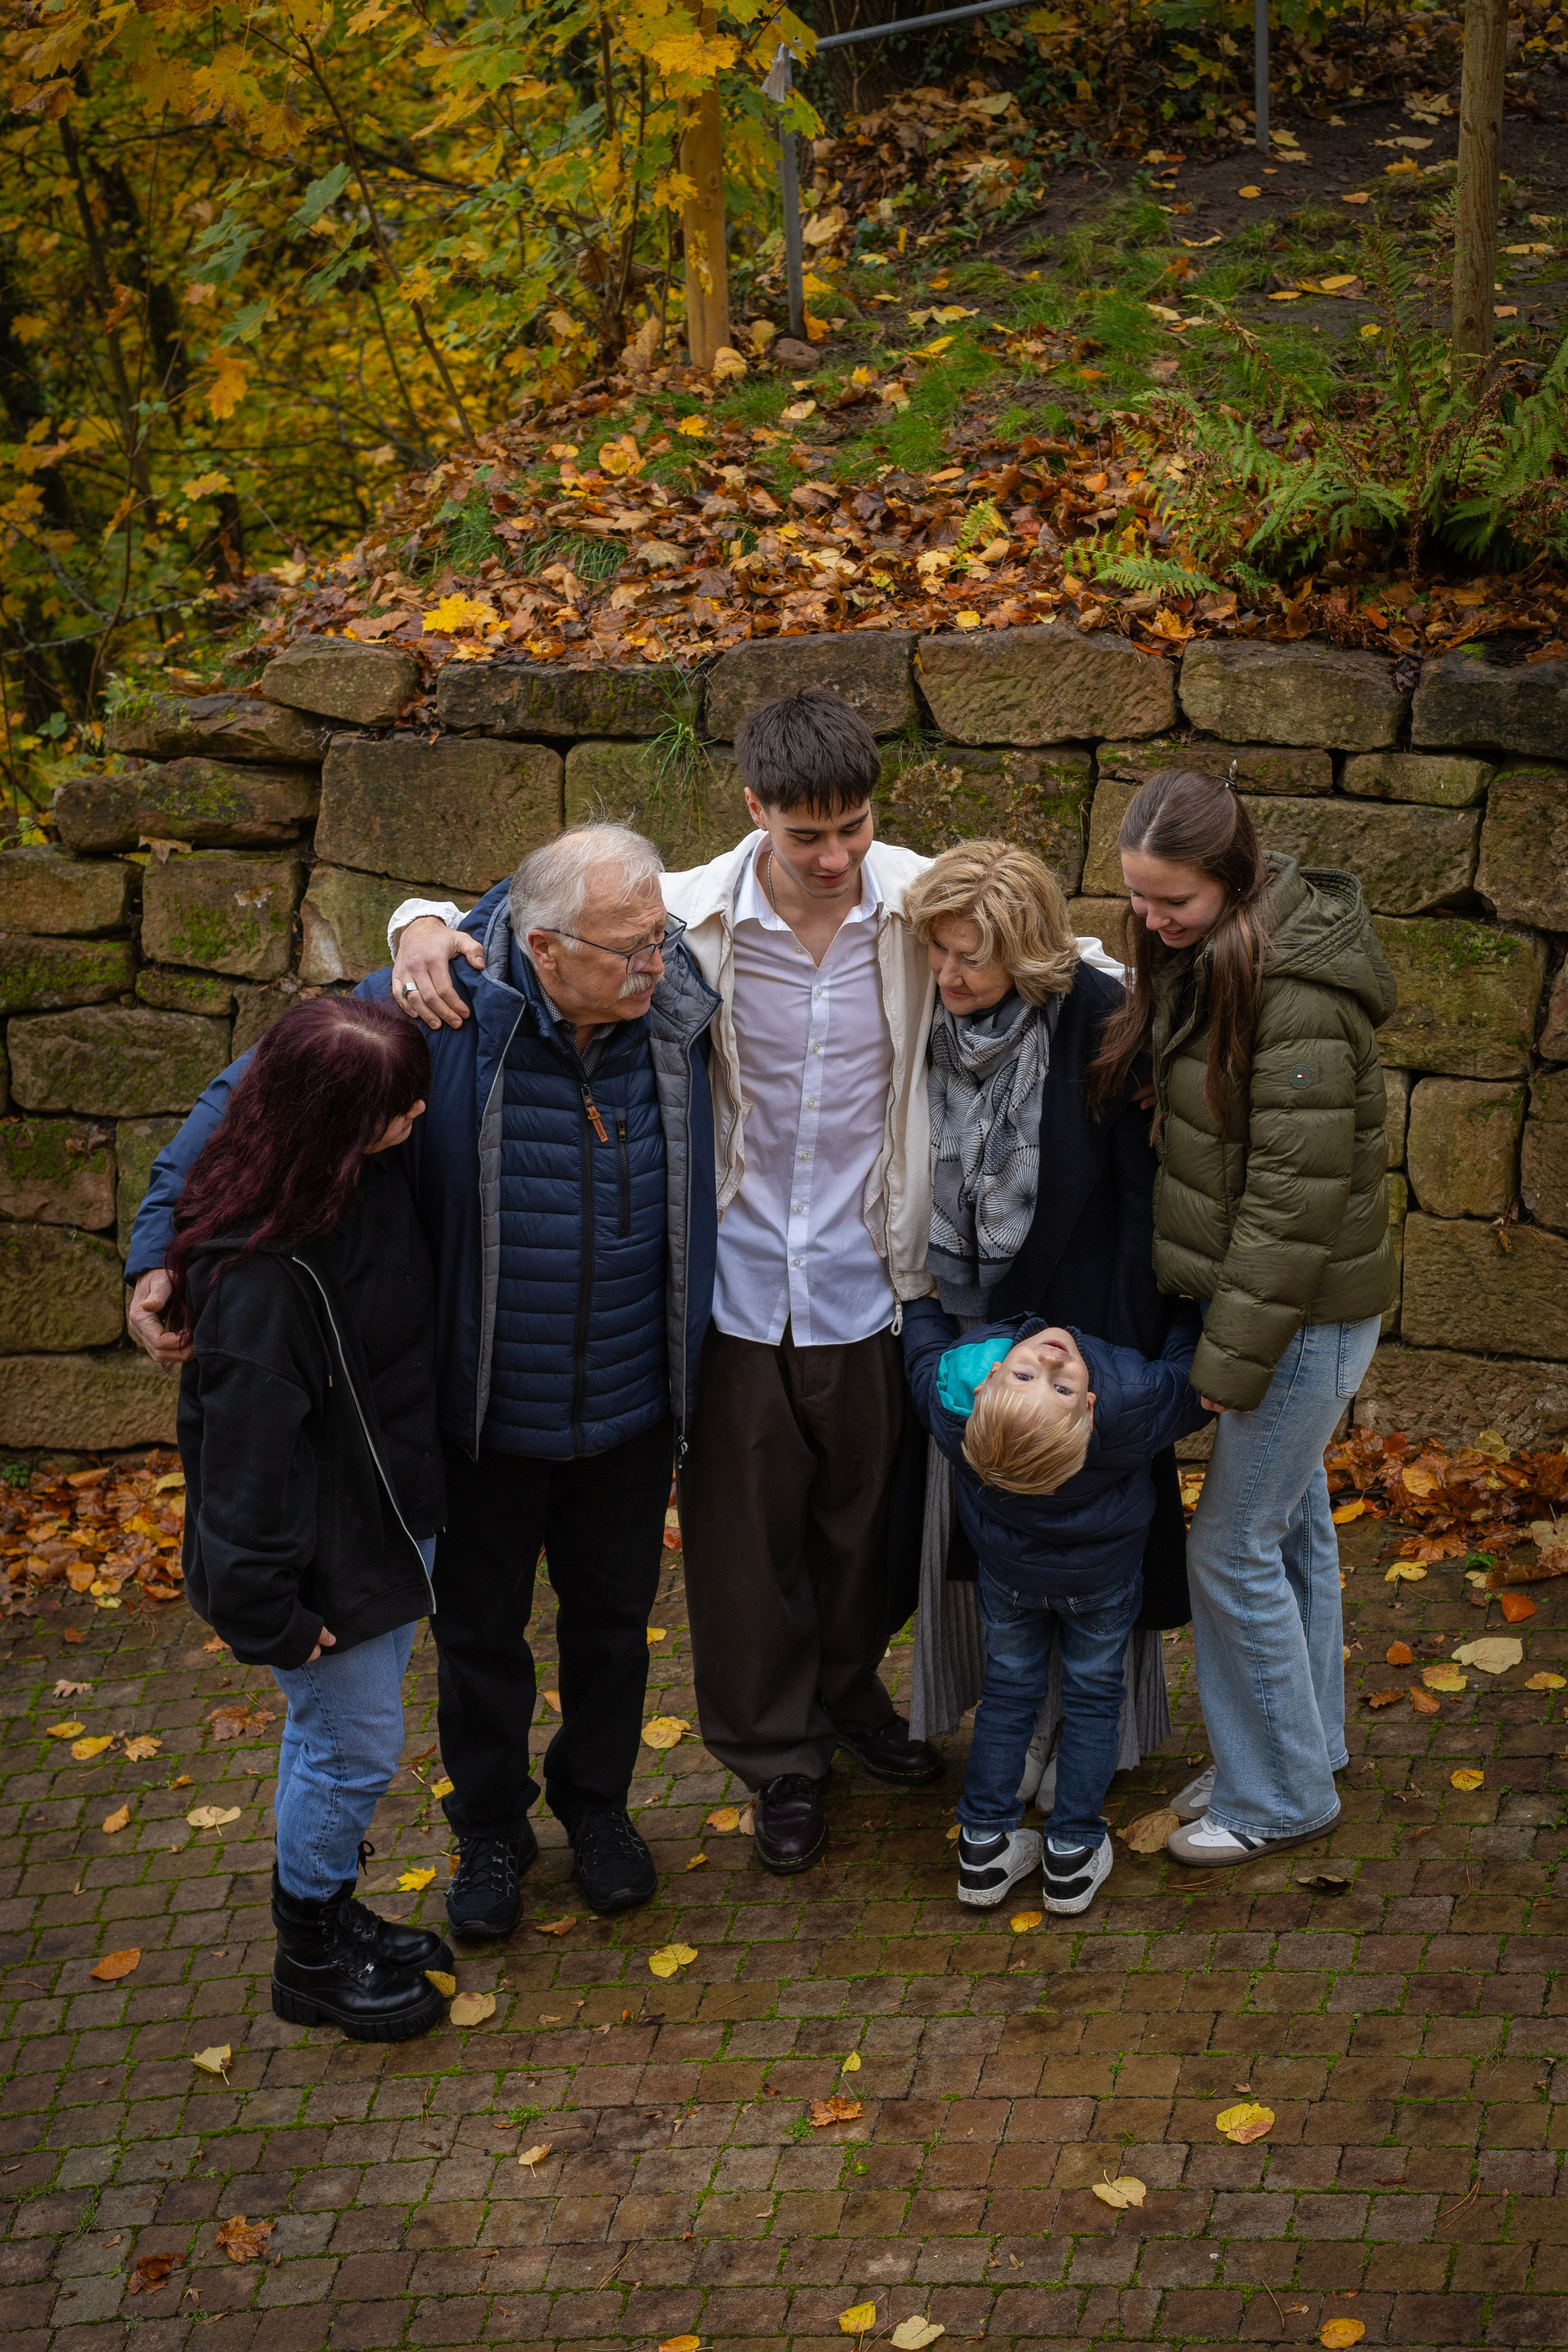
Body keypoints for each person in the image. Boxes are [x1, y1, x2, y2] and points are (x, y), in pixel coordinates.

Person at [127, 823, 720, 1934]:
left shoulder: (671, 998)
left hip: (635, 1402)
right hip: (481, 1411)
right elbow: (242, 1109)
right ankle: (491, 1834)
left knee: (612, 1625)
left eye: (659, 939)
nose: (659, 963)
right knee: (481, 1639)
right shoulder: (434, 1002)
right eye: (630, 949)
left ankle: (598, 1808)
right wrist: (156, 1254)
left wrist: (420, 908)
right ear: (543, 947)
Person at [388, 688, 942, 1876]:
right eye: (807, 835)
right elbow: (509, 915)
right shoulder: (678, 917)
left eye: (853, 826)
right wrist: (413, 921)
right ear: (754, 811)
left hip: (867, 1277)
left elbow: (1056, 941)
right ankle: (777, 1766)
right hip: (732, 1288)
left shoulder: (915, 899)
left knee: (863, 1540)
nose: (836, 856)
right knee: (743, 1563)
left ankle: (849, 1702)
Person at [1090, 767, 1398, 1866]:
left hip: (1298, 1319)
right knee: (1293, 1528)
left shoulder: (1294, 992)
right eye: (1138, 895)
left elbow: (1291, 1200)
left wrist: (1231, 1355)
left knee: (1231, 1549)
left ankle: (1277, 1800)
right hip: (1282, 1313)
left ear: (1233, 877)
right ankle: (1301, 1748)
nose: (1152, 919)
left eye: (1171, 900)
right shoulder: (1218, 958)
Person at [168, 995, 450, 2041]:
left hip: (382, 1526)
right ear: (334, 1122)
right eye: (398, 1107)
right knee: (354, 1751)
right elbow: (241, 1475)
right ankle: (311, 1960)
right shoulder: (260, 1282)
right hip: (321, 1571)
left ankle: (328, 1910)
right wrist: (274, 1615)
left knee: (331, 1740)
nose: (419, 1115)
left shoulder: (352, 1183)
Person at [900, 840, 1199, 1814]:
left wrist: (1141, 1343)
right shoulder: (920, 1018)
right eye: (939, 953)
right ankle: (1008, 1722)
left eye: (969, 959)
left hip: (1086, 1335)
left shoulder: (1101, 1022)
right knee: (991, 1540)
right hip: (973, 1315)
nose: (948, 975)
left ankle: (1087, 1739)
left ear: (1025, 956)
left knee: (1098, 1548)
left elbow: (1141, 1191)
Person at [902, 1300, 1208, 1915]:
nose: (1045, 1361)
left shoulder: (955, 1406)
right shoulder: (1134, 1399)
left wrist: (921, 1305)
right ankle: (1071, 1851)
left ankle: (983, 1845)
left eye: (1045, 1381)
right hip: (1102, 1585)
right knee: (1094, 1702)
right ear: (1090, 1412)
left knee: (1008, 1694)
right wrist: (1183, 1313)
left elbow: (921, 1363)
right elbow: (1188, 1384)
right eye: (1043, 1380)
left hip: (1009, 1579)